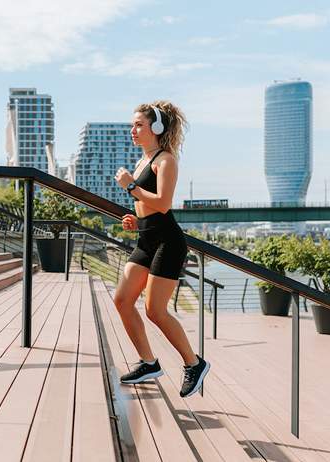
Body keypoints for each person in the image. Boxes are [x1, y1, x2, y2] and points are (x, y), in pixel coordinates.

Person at [113, 100, 210, 397]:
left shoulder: (165, 160)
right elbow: (148, 205)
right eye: (133, 124)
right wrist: (135, 218)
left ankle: (194, 364)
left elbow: (164, 203)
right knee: (122, 300)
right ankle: (148, 362)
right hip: (145, 239)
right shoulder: (143, 161)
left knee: (155, 310)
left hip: (168, 242)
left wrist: (131, 187)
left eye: (139, 125)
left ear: (156, 128)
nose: (133, 130)